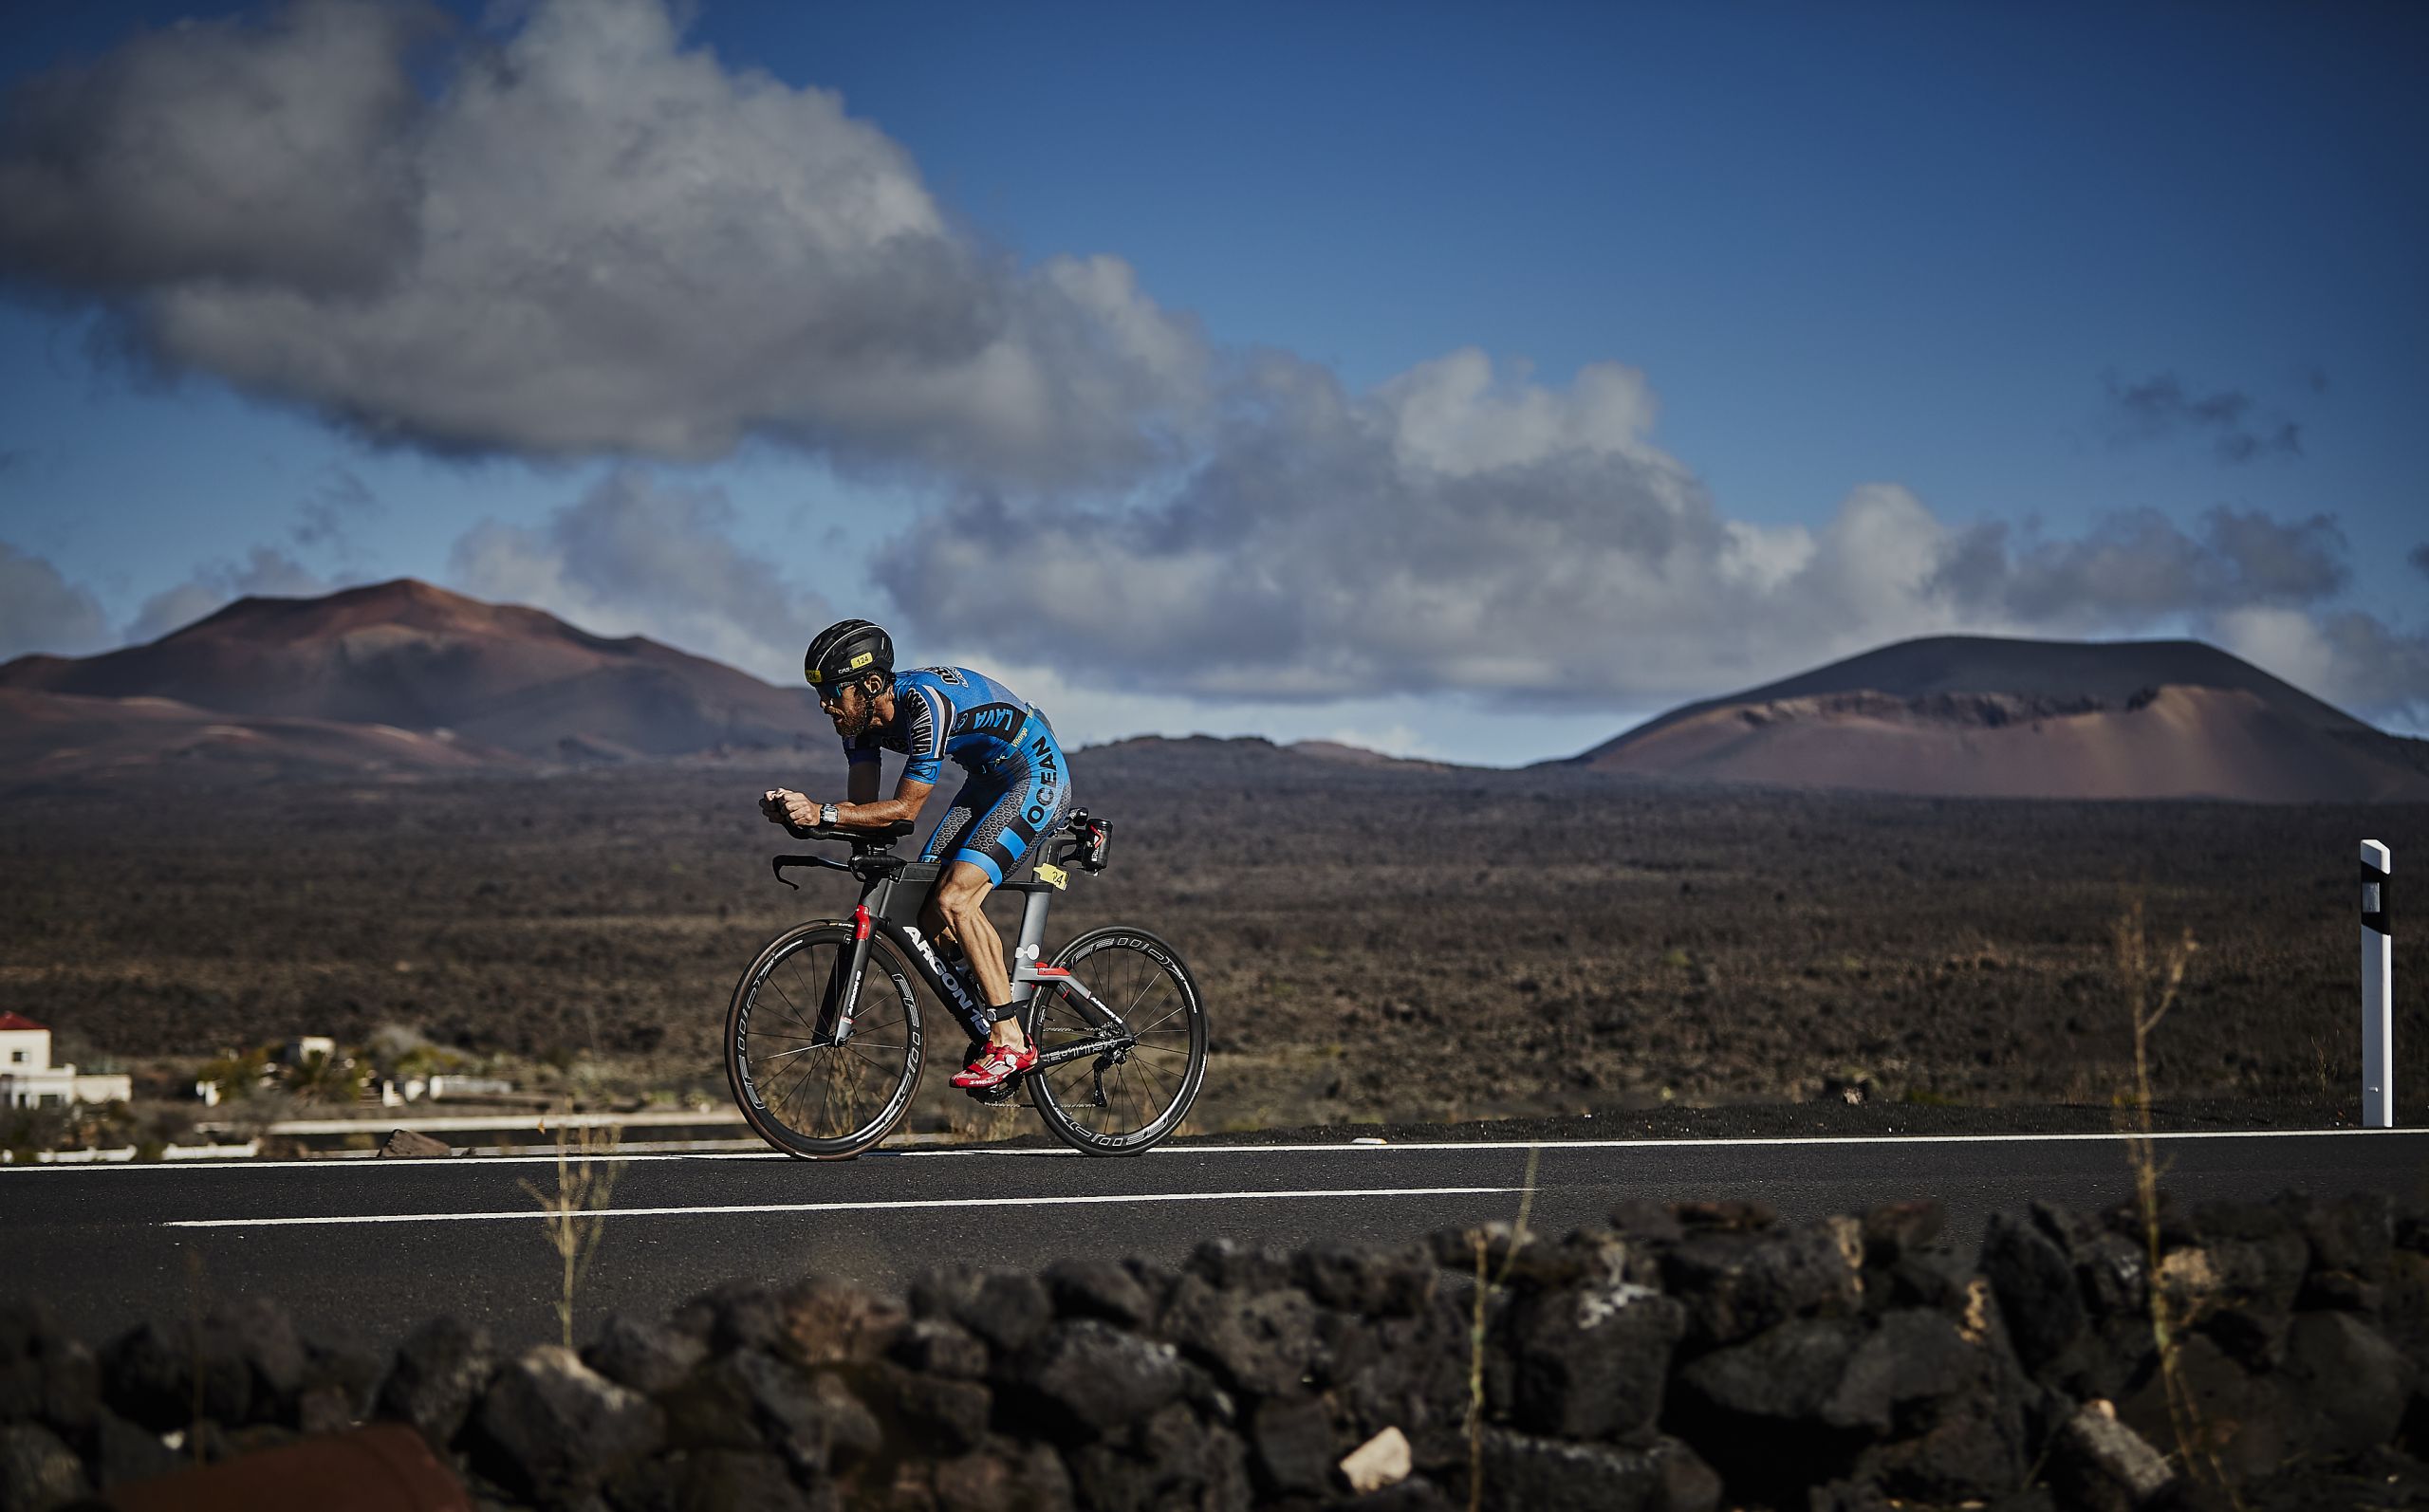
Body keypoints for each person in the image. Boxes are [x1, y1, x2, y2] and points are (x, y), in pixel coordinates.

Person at [760, 618, 1072, 1092]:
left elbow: (903, 809)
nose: (824, 705)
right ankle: (996, 998)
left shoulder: (924, 705)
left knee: (955, 900)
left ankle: (1010, 1038)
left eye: (832, 692)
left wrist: (821, 813)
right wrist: (801, 820)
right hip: (988, 779)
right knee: (924, 910)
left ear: (869, 685)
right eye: (819, 694)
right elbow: (866, 814)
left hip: (1035, 772)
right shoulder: (858, 726)